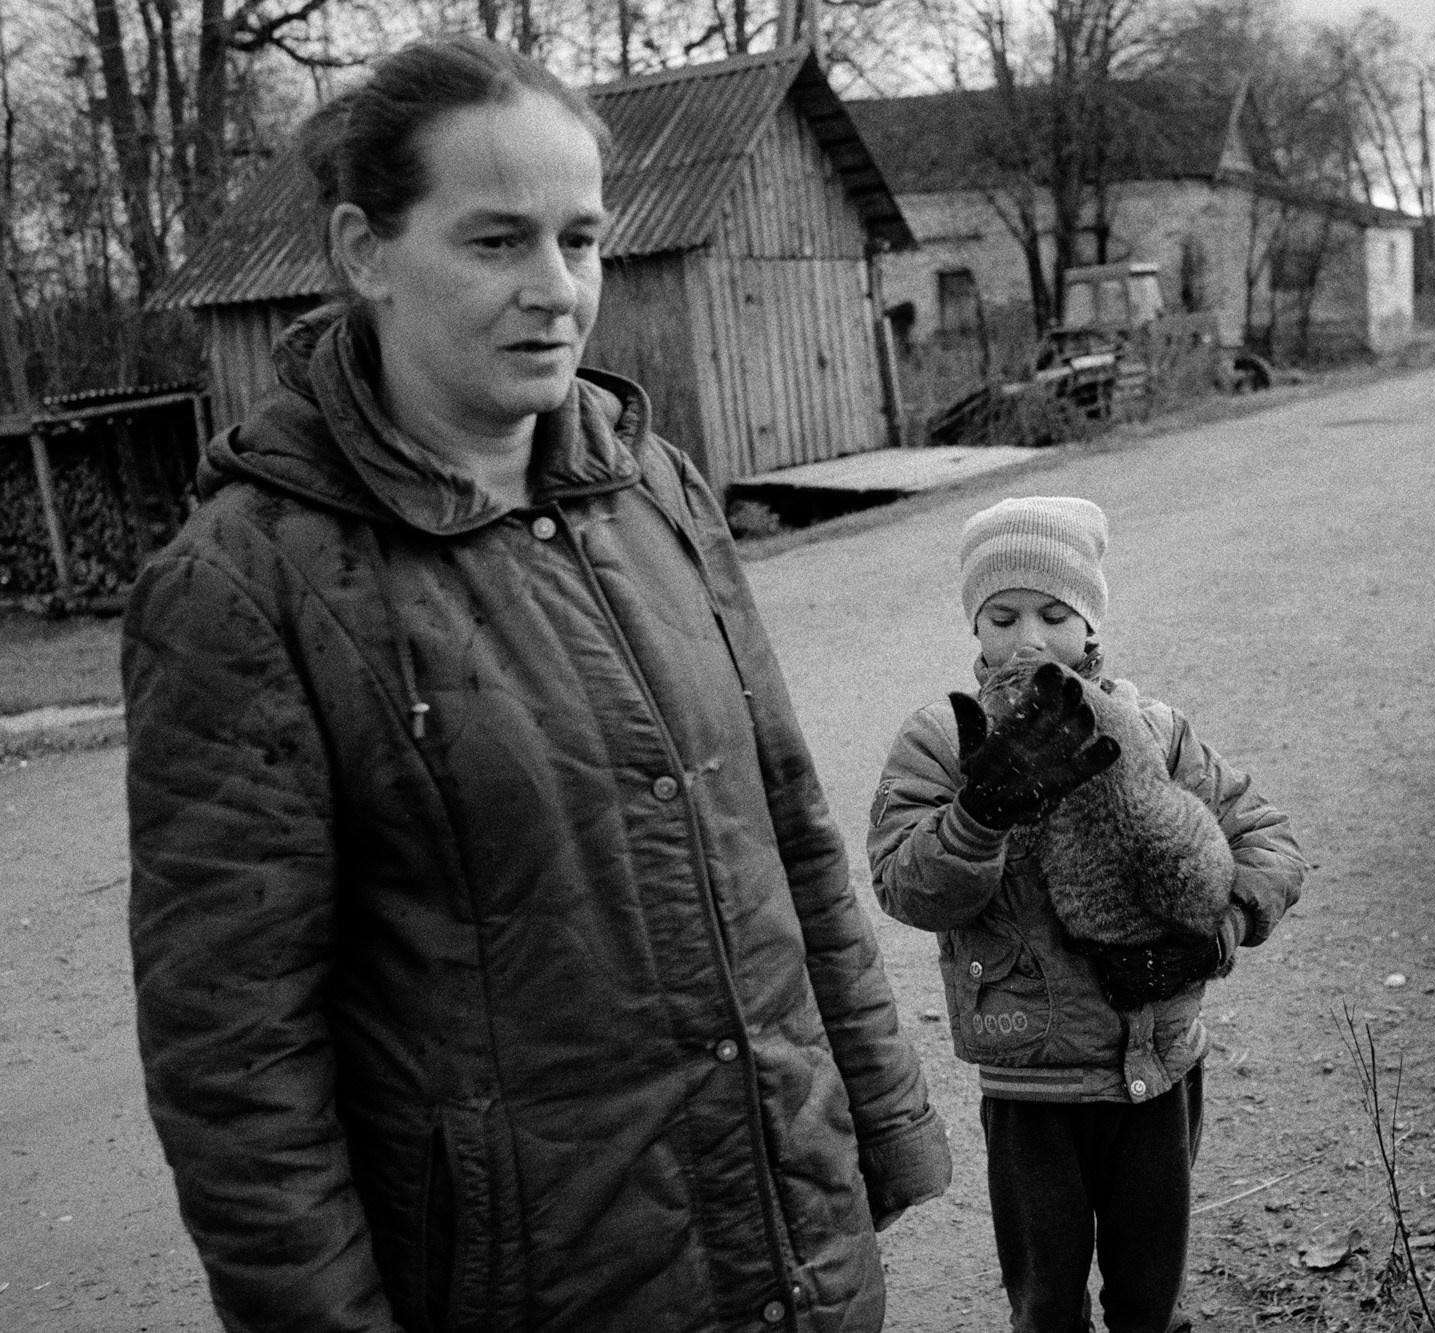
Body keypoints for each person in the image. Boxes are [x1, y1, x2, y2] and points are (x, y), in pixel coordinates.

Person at [122, 36, 948, 1333]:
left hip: (794, 1252)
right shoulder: (243, 588)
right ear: (361, 251)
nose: (558, 290)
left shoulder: (655, 486)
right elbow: (237, 1066)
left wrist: (879, 1136)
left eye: (583, 238)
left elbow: (787, 835)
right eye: (498, 242)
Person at [867, 497, 1307, 1333]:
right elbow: (906, 883)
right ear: (977, 627)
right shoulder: (942, 740)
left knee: (1152, 1296)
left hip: (1160, 1064)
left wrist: (1217, 930)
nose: (1029, 637)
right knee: (1045, 1303)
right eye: (1003, 616)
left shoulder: (1155, 728)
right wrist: (979, 813)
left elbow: (1267, 839)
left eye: (1054, 613)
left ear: (1091, 620)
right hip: (1030, 1079)